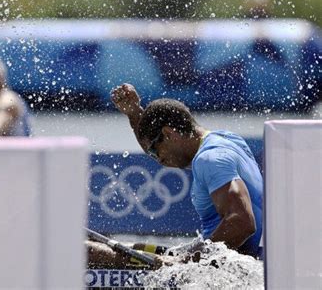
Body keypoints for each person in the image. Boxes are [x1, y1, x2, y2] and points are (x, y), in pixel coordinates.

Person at [106, 83, 263, 260]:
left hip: (225, 268)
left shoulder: (211, 159)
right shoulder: (226, 140)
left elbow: (242, 223)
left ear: (168, 134)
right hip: (235, 257)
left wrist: (184, 262)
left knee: (94, 253)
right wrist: (135, 114)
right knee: (133, 248)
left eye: (154, 151)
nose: (157, 159)